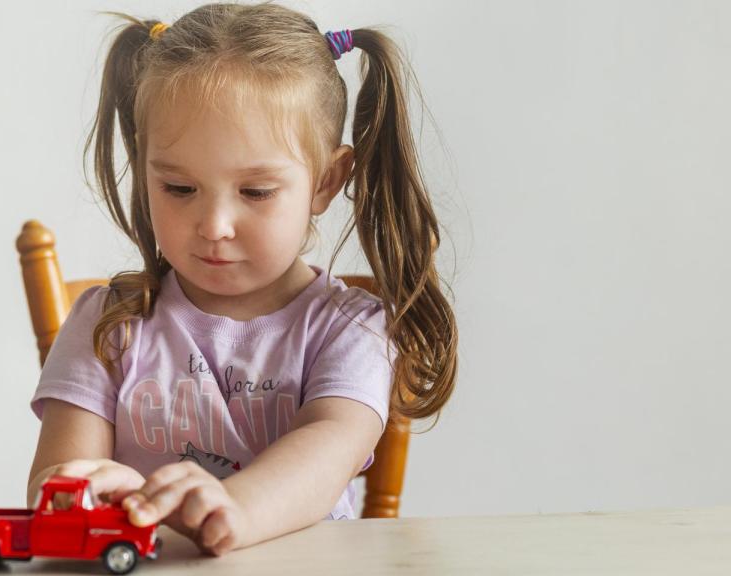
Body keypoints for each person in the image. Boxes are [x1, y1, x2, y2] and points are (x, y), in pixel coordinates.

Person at [28, 2, 457, 557]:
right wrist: (105, 498)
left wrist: (233, 508)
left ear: (326, 181)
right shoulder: (108, 325)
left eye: (255, 192)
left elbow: (328, 449)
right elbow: (58, 483)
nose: (213, 226)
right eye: (179, 188)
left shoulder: (350, 330)